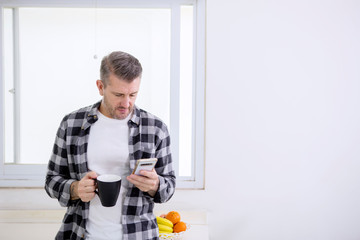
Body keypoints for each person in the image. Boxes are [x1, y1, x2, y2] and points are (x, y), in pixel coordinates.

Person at [45, 51, 176, 240]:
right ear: (100, 86)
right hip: (80, 234)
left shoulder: (156, 128)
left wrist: (155, 185)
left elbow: (169, 186)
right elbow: (51, 180)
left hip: (139, 235)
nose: (126, 103)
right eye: (118, 94)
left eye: (133, 94)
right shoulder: (72, 124)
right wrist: (75, 189)